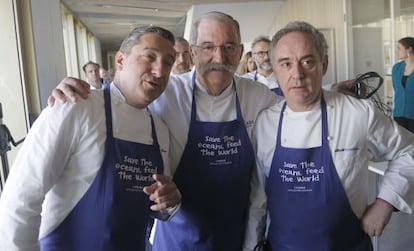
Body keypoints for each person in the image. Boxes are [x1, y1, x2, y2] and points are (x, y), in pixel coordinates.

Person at [48, 11, 280, 251]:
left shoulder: (259, 96)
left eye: (229, 46)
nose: (219, 56)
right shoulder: (166, 93)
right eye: (208, 46)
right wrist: (79, 95)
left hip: (233, 236)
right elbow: (121, 100)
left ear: (241, 52)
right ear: (193, 52)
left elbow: (300, 110)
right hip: (176, 238)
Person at [0, 26, 181, 251]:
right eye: (150, 57)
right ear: (121, 60)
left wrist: (168, 203)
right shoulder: (75, 107)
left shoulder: (160, 129)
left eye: (168, 62)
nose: (159, 71)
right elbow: (21, 197)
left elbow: (156, 206)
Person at [244, 21, 414, 251]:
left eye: (307, 61)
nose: (297, 74)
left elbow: (408, 150)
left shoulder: (357, 114)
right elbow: (258, 199)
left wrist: (385, 202)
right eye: (285, 64)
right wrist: (251, 246)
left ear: (324, 65)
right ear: (274, 68)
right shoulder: (266, 123)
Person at [392, 37, 414, 133]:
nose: (397, 51)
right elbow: (396, 89)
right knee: (402, 144)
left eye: (399, 48)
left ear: (409, 49)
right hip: (399, 113)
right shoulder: (396, 68)